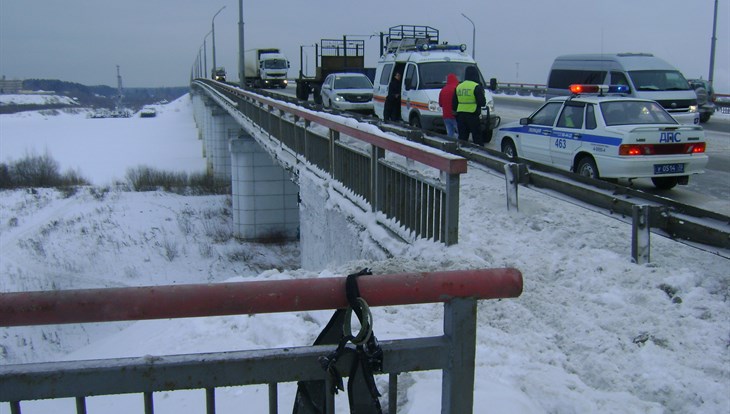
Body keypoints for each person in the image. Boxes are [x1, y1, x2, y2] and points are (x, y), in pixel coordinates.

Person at [452, 66, 487, 145]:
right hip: (473, 114)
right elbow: (482, 102)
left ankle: (461, 152)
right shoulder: (476, 86)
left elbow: (454, 104)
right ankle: (479, 153)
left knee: (462, 138)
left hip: (460, 116)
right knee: (477, 137)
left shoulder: (459, 86)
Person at [438, 73, 459, 138]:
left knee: (450, 133)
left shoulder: (443, 90)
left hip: (446, 115)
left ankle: (450, 145)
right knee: (460, 133)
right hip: (455, 115)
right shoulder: (457, 88)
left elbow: (440, 104)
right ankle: (459, 145)